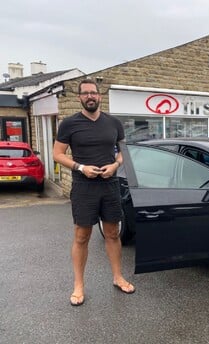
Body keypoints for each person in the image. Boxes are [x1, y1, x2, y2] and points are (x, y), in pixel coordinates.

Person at [53, 79, 135, 306]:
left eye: (94, 93)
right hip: (84, 186)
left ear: (100, 96)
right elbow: (57, 154)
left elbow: (123, 153)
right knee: (82, 236)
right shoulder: (69, 124)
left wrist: (115, 166)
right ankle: (78, 285)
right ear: (79, 97)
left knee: (112, 233)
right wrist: (80, 167)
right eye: (85, 93)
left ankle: (118, 277)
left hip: (109, 184)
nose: (90, 96)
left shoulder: (114, 123)